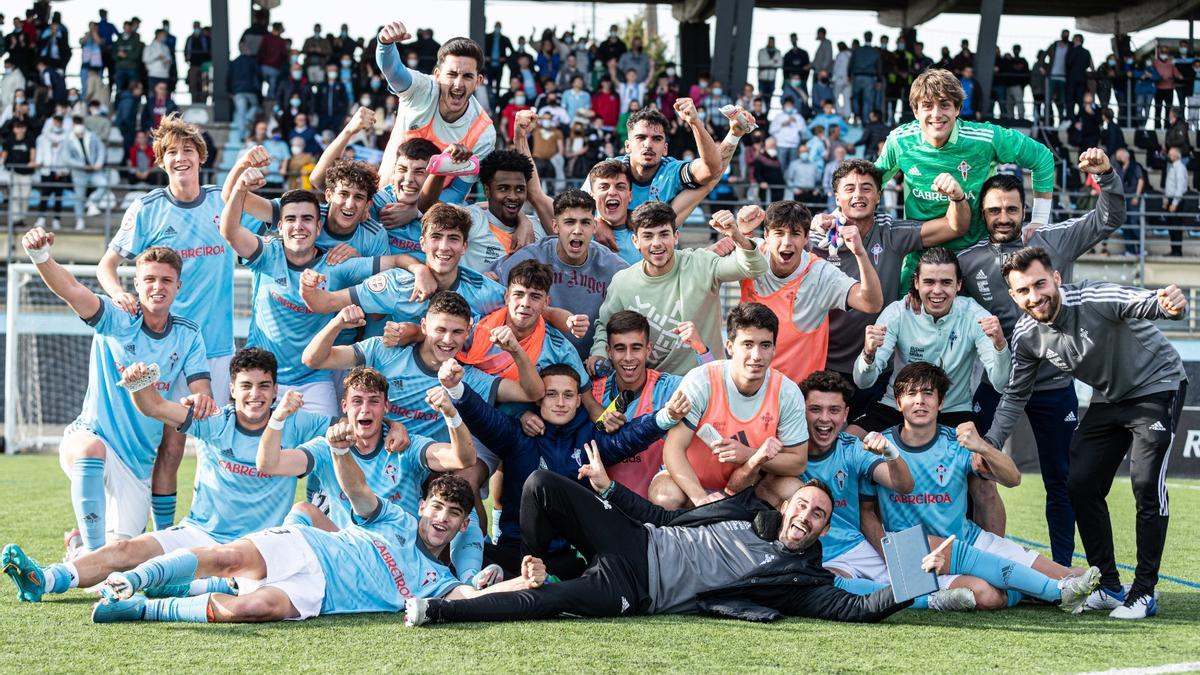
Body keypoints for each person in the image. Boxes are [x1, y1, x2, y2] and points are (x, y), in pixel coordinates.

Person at [1, 349, 330, 603]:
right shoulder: (215, 422)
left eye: (263, 386)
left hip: (253, 548)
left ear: (275, 391)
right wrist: (139, 383)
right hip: (199, 532)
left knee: (203, 583)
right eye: (246, 386)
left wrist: (382, 428)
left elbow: (349, 427)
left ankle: (172, 587)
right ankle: (44, 580)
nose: (254, 394)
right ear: (231, 388)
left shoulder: (298, 423)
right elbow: (155, 407)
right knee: (127, 552)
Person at [405, 467, 908, 626]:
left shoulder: (799, 580)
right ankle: (537, 565)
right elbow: (665, 517)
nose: (805, 517)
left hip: (639, 587)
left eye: (817, 515)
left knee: (550, 605)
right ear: (789, 504)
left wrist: (916, 575)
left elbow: (860, 608)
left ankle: (442, 611)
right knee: (540, 484)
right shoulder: (743, 511)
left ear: (823, 529)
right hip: (637, 538)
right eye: (802, 506)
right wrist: (608, 490)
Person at [985, 247, 1189, 619]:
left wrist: (1171, 304)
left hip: (1157, 386)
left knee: (1145, 483)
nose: (1035, 297)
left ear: (1057, 278)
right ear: (1013, 296)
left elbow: (1148, 302)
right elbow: (1015, 395)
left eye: (1040, 284)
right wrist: (990, 446)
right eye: (1023, 291)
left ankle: (1144, 591)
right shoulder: (1027, 335)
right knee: (1077, 483)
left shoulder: (1095, 296)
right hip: (1109, 399)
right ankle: (1110, 587)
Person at [88, 467, 532, 624]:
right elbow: (358, 492)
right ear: (422, 507)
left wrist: (521, 582)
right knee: (226, 559)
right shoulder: (394, 516)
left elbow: (476, 597)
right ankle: (135, 578)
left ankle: (142, 608)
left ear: (462, 525)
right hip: (307, 547)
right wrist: (339, 454)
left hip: (321, 596)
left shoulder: (442, 582)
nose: (441, 519)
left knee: (249, 609)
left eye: (452, 515)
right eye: (436, 508)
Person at [960, 148, 1124, 566]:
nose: (1003, 217)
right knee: (974, 470)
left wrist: (1105, 176)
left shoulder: (1052, 242)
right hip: (999, 385)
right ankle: (974, 559)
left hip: (1054, 386)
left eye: (1011, 209)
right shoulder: (968, 259)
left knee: (1062, 481)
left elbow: (1108, 218)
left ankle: (1063, 570)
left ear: (1024, 210)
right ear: (983, 212)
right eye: (994, 209)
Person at [18, 232, 212, 555]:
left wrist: (200, 400)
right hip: (92, 438)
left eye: (166, 280)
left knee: (123, 553)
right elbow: (72, 290)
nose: (157, 287)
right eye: (149, 279)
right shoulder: (118, 318)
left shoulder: (188, 336)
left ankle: (81, 544)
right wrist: (41, 257)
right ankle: (91, 559)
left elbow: (200, 392)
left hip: (137, 466)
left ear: (178, 286)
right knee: (90, 449)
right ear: (136, 283)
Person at [98, 113, 235, 533]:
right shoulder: (146, 209)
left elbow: (277, 231)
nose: (181, 158)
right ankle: (162, 533)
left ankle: (217, 527)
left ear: (201, 157)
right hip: (164, 347)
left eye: (188, 151)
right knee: (168, 446)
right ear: (161, 161)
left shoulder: (224, 202)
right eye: (172, 152)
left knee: (218, 445)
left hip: (215, 348)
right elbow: (108, 264)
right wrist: (118, 292)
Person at [810, 159, 970, 421]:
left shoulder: (890, 232)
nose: (858, 195)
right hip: (824, 363)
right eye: (849, 189)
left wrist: (957, 196)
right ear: (837, 197)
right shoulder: (819, 236)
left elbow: (955, 226)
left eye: (866, 188)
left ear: (878, 196)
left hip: (876, 364)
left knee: (869, 443)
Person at [876, 68, 1056, 295]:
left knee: (989, 326)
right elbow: (871, 182)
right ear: (915, 110)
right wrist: (838, 215)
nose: (936, 114)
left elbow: (1042, 158)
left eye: (945, 105)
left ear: (958, 109)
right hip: (921, 257)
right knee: (899, 320)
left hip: (975, 256)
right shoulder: (900, 140)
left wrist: (1039, 219)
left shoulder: (985, 138)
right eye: (927, 106)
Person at [652, 303, 808, 508]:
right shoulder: (702, 380)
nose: (756, 356)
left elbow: (797, 462)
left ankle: (767, 539)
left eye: (765, 345)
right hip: (692, 485)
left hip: (748, 485)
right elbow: (673, 449)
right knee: (665, 496)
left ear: (774, 348)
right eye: (748, 344)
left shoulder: (787, 392)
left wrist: (749, 454)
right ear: (730, 347)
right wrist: (701, 499)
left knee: (792, 491)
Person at [591, 202, 767, 377]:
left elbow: (755, 267)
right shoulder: (623, 282)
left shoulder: (701, 262)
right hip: (652, 388)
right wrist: (599, 353)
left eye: (664, 234)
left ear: (675, 236)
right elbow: (604, 326)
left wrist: (736, 234)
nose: (657, 243)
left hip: (705, 382)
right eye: (648, 236)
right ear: (635, 241)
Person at [854, 247, 1009, 433]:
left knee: (979, 459)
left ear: (958, 285)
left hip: (953, 410)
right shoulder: (898, 312)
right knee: (848, 442)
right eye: (929, 282)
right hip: (899, 407)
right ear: (916, 283)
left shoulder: (974, 315)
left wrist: (1000, 346)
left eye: (946, 282)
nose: (937, 291)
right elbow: (863, 382)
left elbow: (1001, 383)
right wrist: (868, 354)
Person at [741, 200, 882, 384]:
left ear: (807, 237)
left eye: (795, 234)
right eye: (779, 233)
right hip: (747, 386)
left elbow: (871, 303)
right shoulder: (750, 254)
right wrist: (740, 231)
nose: (787, 242)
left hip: (797, 394)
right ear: (766, 235)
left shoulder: (820, 274)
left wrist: (860, 253)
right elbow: (705, 268)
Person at [490, 190, 628, 359]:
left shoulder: (614, 267)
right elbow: (490, 286)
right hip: (536, 358)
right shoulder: (530, 257)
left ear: (594, 227)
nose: (577, 230)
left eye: (585, 223)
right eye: (569, 222)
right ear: (555, 226)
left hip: (591, 362)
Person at [375, 20, 495, 204]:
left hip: (431, 216)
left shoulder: (484, 133)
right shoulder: (421, 89)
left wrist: (414, 211)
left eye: (467, 76)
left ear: (478, 81)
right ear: (437, 75)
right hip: (384, 201)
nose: (458, 84)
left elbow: (457, 191)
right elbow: (394, 72)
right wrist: (385, 44)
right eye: (452, 74)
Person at [63, 116, 108, 230]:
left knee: (104, 183)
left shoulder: (92, 136)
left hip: (94, 170)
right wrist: (83, 166)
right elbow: (67, 159)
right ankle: (79, 220)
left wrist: (99, 163)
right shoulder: (68, 139)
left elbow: (101, 149)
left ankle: (92, 201)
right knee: (79, 198)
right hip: (79, 173)